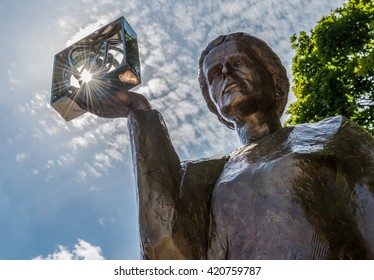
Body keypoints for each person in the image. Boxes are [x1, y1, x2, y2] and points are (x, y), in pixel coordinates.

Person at [72, 32, 374, 259]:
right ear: (215, 106)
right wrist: (139, 112)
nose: (226, 75)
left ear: (273, 77)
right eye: (215, 75)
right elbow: (167, 255)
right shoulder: (200, 175)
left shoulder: (332, 131)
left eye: (237, 62)